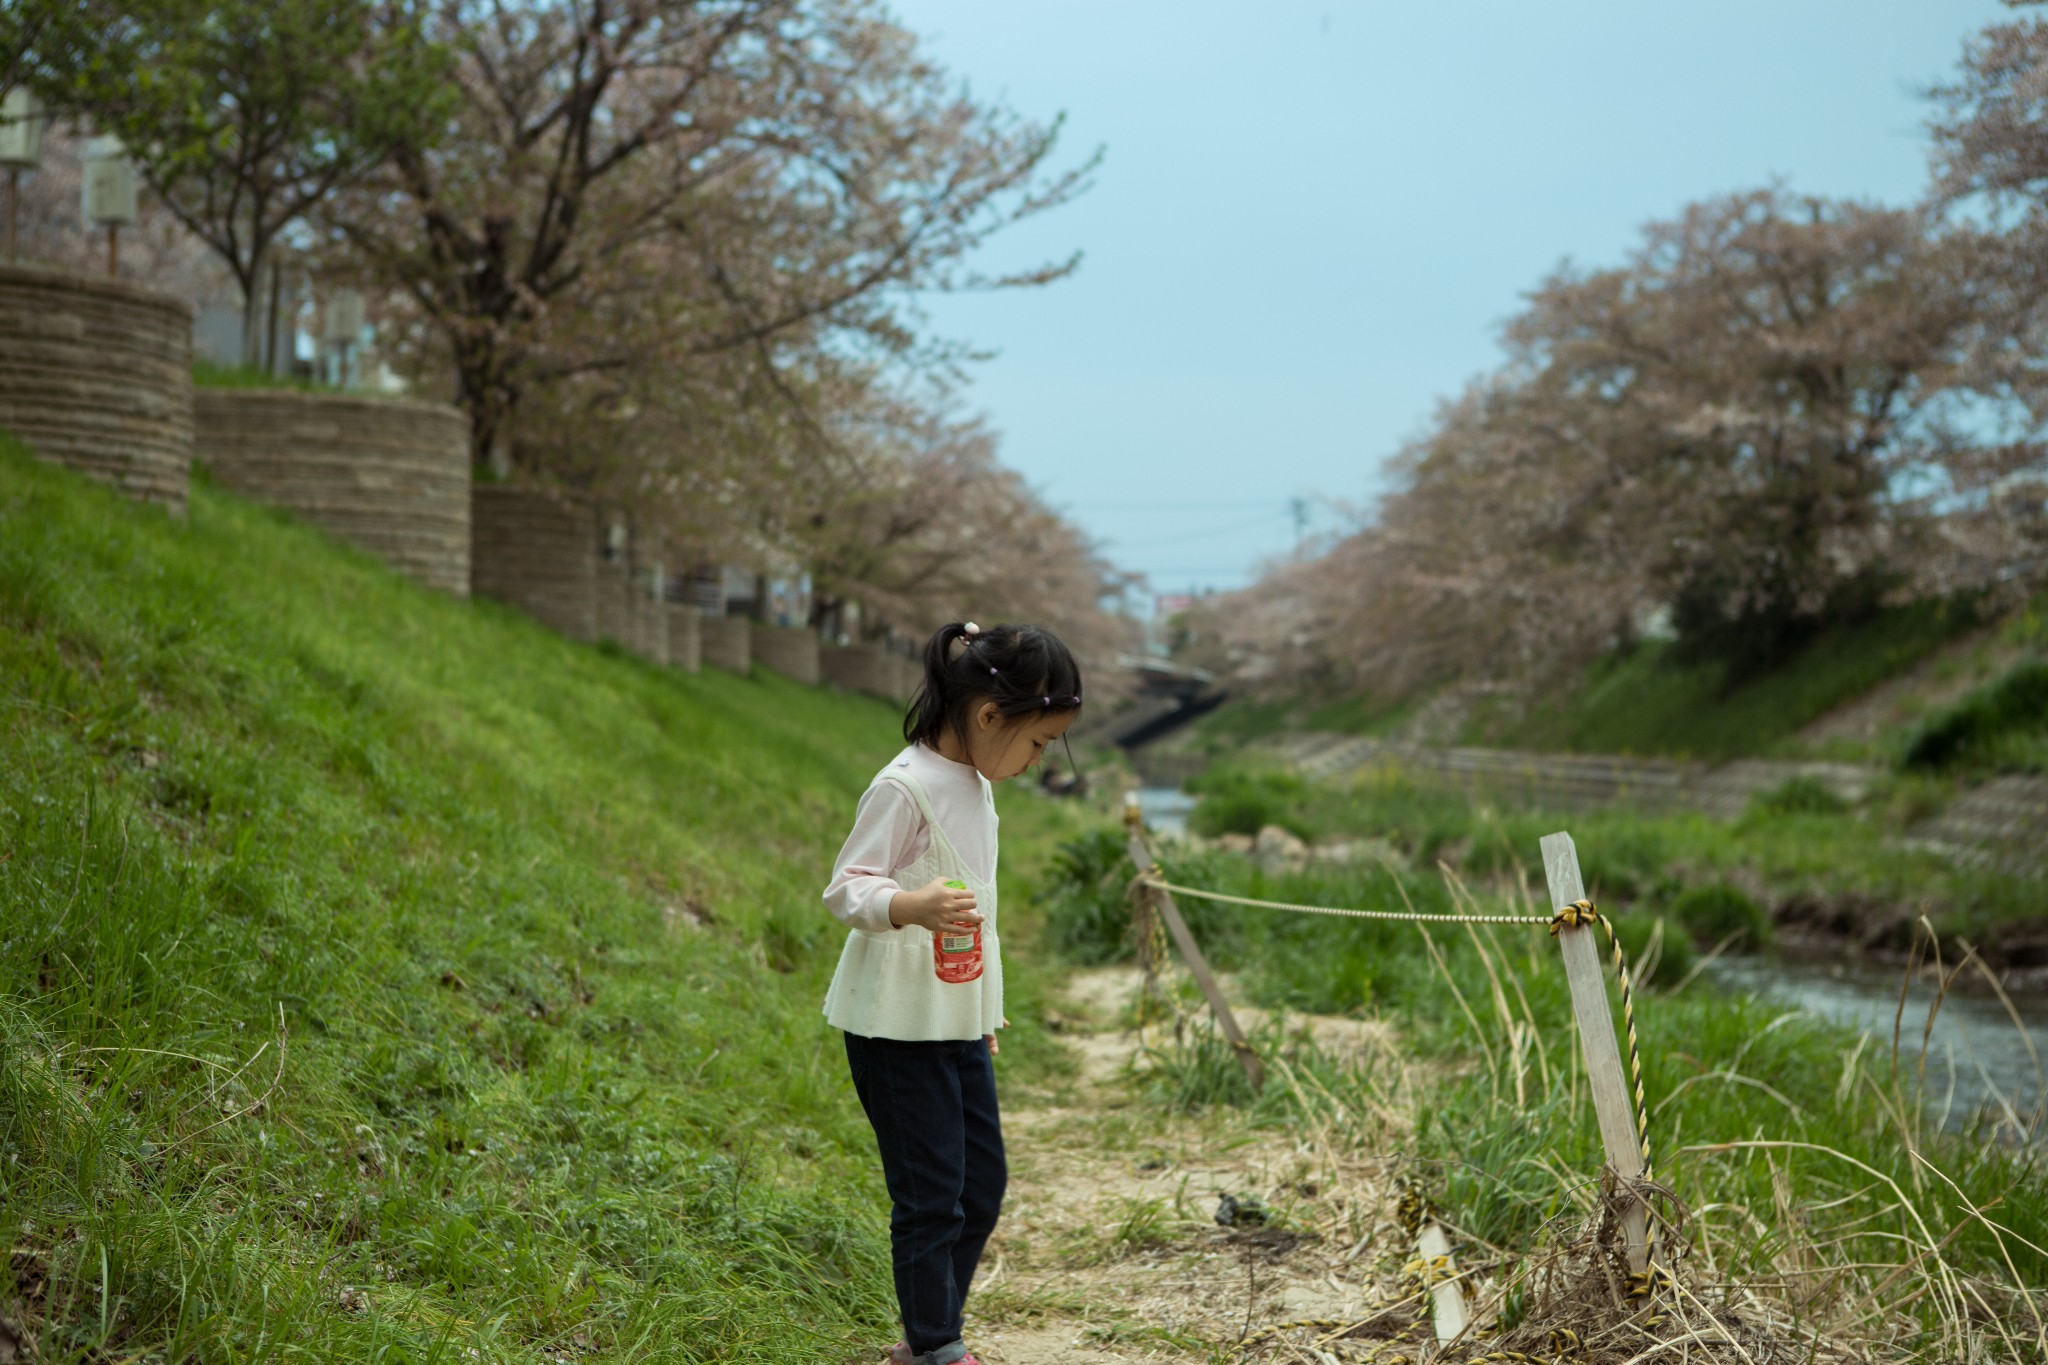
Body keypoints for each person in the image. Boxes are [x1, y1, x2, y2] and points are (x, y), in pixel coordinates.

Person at [823, 621, 1084, 1365]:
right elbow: (846, 889)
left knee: (982, 1183)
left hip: (954, 1019)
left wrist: (982, 1010)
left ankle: (928, 1335)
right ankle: (938, 1345)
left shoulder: (974, 782)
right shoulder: (903, 786)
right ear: (988, 715)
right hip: (893, 1025)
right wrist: (907, 905)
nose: (1038, 761)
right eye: (1038, 742)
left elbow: (983, 914)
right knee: (932, 1192)